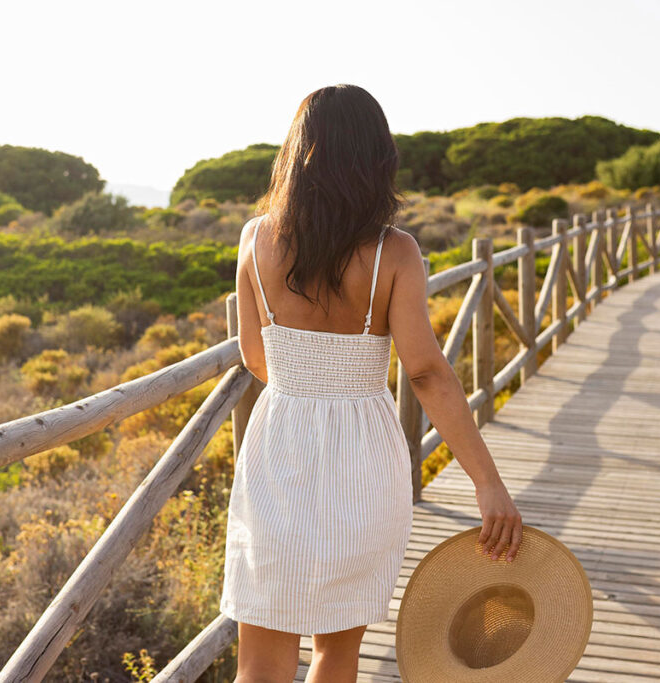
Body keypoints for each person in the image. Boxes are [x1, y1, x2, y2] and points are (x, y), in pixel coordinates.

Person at [220, 83, 522, 683]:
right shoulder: (396, 253)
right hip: (363, 454)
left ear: (297, 153)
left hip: (278, 446)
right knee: (336, 652)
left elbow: (257, 357)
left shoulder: (257, 239)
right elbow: (428, 374)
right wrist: (489, 485)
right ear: (376, 160)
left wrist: (304, 378)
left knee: (260, 661)